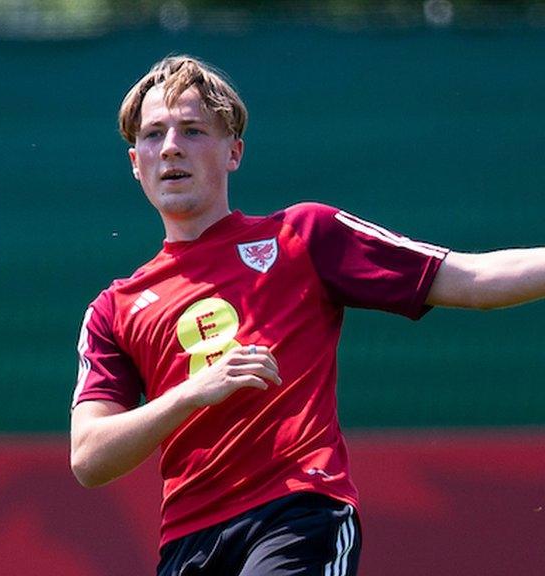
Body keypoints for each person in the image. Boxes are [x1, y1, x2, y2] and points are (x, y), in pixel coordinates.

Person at [68, 54, 545, 576]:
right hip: (188, 545)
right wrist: (192, 392)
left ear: (235, 151)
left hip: (298, 515)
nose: (172, 146)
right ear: (136, 162)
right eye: (154, 134)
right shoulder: (113, 309)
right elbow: (90, 458)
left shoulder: (302, 237)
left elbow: (474, 281)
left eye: (193, 130)